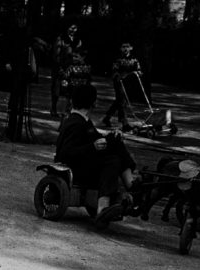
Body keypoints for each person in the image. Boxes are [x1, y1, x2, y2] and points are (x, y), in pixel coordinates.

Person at [55, 84, 139, 228]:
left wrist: (111, 137)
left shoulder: (83, 121)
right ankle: (104, 206)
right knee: (112, 161)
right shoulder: (76, 123)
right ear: (93, 103)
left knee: (115, 144)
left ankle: (131, 184)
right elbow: (65, 153)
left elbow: (95, 138)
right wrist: (92, 147)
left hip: (84, 163)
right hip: (76, 169)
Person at [103, 42, 142, 131]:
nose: (125, 49)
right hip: (119, 82)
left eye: (127, 47)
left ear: (131, 48)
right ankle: (124, 123)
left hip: (129, 82)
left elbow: (138, 69)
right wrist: (118, 75)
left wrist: (137, 73)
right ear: (120, 48)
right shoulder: (118, 59)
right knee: (122, 101)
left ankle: (107, 118)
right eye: (123, 47)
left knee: (119, 101)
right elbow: (114, 70)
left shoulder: (134, 59)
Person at [51, 21, 85, 117]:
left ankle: (67, 110)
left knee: (71, 89)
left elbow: (79, 55)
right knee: (56, 89)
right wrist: (60, 68)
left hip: (72, 68)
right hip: (60, 67)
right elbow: (56, 55)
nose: (73, 30)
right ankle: (53, 108)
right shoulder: (60, 39)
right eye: (71, 27)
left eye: (75, 28)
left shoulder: (78, 41)